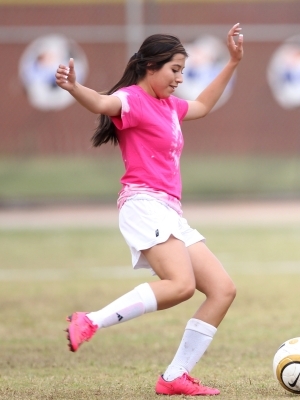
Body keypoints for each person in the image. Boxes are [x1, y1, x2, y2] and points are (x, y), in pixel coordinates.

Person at [55, 24, 243, 396]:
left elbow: (203, 105)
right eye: (174, 70)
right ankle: (89, 320)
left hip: (168, 210)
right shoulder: (132, 99)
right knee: (181, 286)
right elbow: (102, 103)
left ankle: (174, 377)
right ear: (150, 67)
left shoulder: (169, 106)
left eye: (182, 72)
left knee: (222, 290)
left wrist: (233, 62)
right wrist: (75, 88)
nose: (179, 79)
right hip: (143, 204)